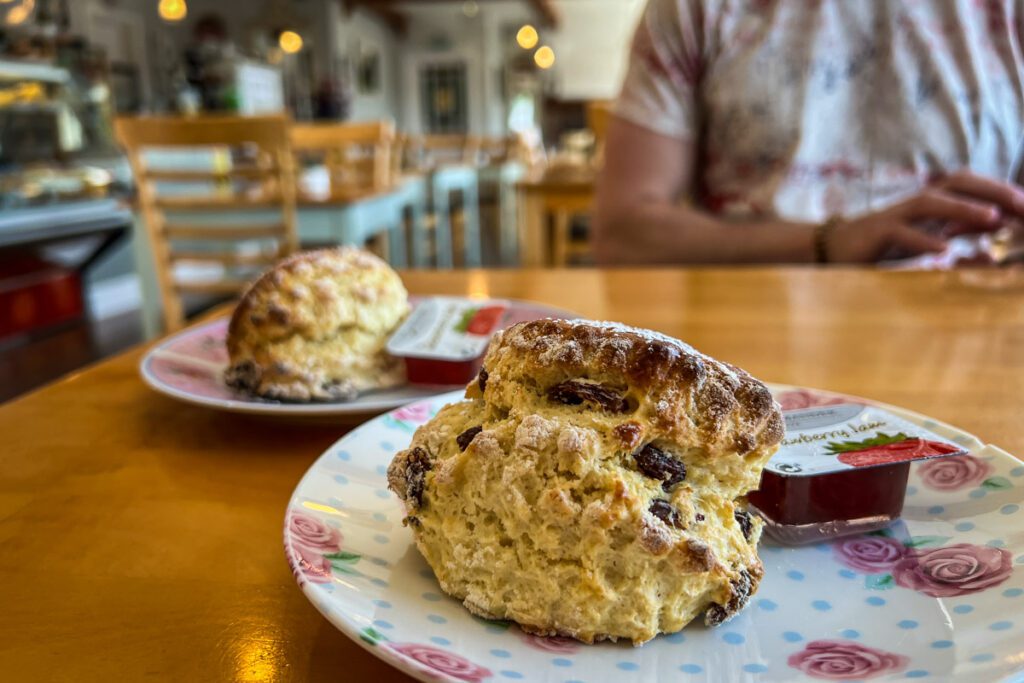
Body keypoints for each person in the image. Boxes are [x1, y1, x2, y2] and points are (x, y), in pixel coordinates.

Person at [593, 0, 1024, 265]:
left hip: (974, 321)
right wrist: (829, 242)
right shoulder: (692, 8)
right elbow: (624, 234)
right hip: (756, 331)